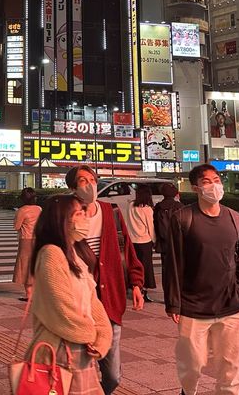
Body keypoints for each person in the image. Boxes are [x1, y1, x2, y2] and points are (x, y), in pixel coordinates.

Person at [164, 164, 239, 395]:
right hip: (193, 307)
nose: (214, 185)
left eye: (216, 180)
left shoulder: (235, 218)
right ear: (195, 188)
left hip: (232, 306)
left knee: (231, 368)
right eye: (206, 181)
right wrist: (173, 301)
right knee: (191, 366)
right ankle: (187, 391)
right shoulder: (182, 218)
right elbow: (172, 261)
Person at [65, 165, 144, 395]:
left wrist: (136, 284)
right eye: (82, 180)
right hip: (78, 302)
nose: (89, 184)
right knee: (79, 370)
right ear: (72, 187)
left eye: (92, 179)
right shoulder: (65, 215)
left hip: (110, 301)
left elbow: (127, 251)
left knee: (112, 375)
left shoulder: (113, 213)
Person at [27, 195, 113, 394]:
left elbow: (92, 300)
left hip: (80, 348)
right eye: (78, 213)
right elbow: (62, 308)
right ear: (61, 219)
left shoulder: (76, 253)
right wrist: (92, 334)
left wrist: (103, 334)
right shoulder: (51, 254)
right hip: (59, 350)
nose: (85, 217)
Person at [124, 186, 156, 303]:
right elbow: (150, 227)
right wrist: (154, 240)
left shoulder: (130, 206)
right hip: (144, 241)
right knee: (146, 267)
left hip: (132, 240)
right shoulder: (147, 209)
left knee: (133, 265)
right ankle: (144, 291)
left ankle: (133, 287)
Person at [12, 187, 42, 301]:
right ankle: (34, 292)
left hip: (25, 239)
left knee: (25, 265)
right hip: (37, 239)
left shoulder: (22, 210)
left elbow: (16, 226)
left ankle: (29, 294)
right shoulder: (39, 209)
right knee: (35, 263)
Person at [153, 182, 182, 300]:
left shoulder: (158, 207)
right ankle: (178, 295)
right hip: (178, 242)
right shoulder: (179, 206)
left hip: (164, 243)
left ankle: (167, 296)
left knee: (166, 270)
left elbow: (155, 225)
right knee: (179, 269)